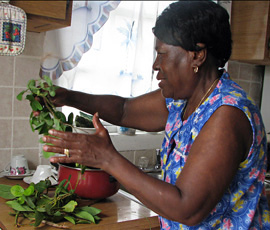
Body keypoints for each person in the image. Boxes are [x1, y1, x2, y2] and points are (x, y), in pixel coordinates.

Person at [42, 1, 270, 229]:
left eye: (162, 54)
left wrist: (107, 158)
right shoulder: (182, 100)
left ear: (198, 55)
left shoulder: (227, 115)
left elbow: (186, 209)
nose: (155, 65)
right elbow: (124, 110)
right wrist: (67, 97)